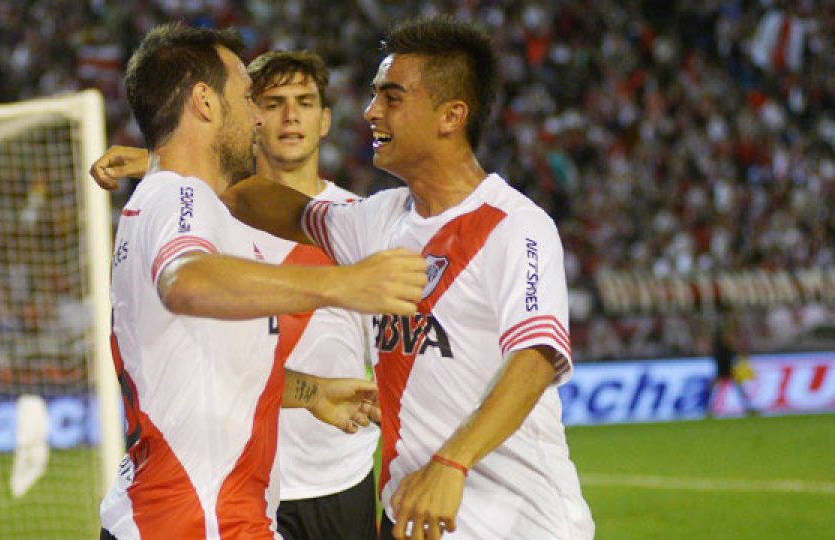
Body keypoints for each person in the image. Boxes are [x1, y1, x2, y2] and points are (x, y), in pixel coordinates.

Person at [93, 15, 594, 540]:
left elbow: (536, 357)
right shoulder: (377, 221)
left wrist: (453, 461)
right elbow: (269, 205)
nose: (371, 111)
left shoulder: (516, 225)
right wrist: (167, 161)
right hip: (411, 516)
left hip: (515, 521)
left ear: (451, 115)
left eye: (391, 97)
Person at [96, 23, 427, 540]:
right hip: (199, 520)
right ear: (205, 102)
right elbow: (187, 281)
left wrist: (312, 392)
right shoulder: (181, 197)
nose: (257, 117)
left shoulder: (176, 200)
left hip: (185, 513)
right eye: (248, 97)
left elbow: (215, 367)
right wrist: (342, 284)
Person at [248, 51, 379, 540]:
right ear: (250, 117)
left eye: (304, 103)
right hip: (243, 481)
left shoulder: (361, 222)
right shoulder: (215, 221)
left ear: (324, 120)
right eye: (274, 103)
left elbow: (387, 355)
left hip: (338, 478)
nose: (290, 116)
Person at [707, 305, 757, 416]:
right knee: (727, 381)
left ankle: (708, 408)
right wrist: (736, 350)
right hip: (723, 356)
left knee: (728, 382)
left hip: (723, 355)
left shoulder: (724, 325)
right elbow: (726, 341)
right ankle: (708, 407)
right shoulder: (725, 326)